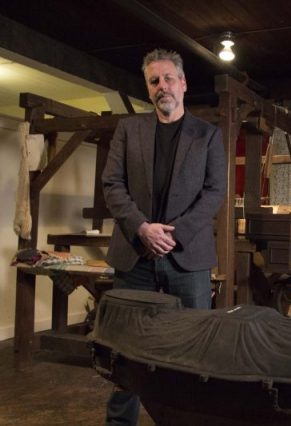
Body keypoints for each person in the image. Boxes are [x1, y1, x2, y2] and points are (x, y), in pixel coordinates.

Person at [101, 48, 227, 425]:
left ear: (183, 83)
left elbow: (215, 192)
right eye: (154, 81)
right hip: (134, 256)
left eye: (169, 78)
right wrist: (142, 228)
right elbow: (112, 184)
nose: (162, 87)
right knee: (124, 351)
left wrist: (173, 234)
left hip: (186, 258)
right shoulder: (128, 129)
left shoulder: (207, 135)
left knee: (191, 350)